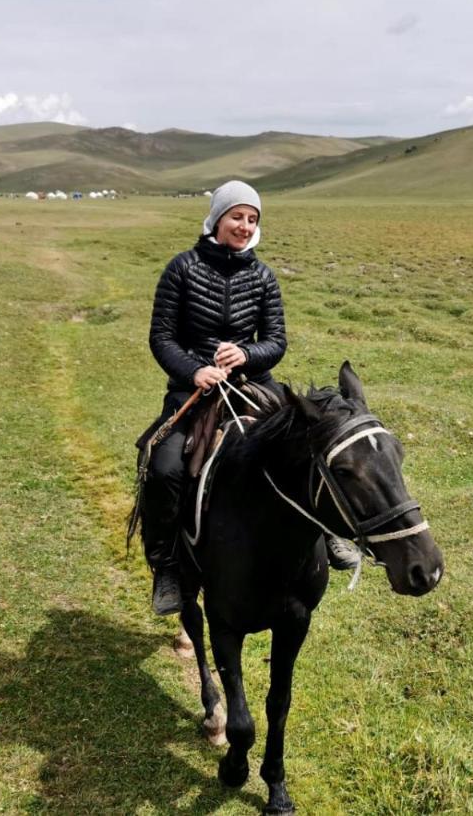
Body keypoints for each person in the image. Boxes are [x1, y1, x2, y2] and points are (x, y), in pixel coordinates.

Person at [141, 180, 363, 616]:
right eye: (237, 216)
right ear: (217, 219)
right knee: (163, 466)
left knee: (309, 445)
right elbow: (162, 337)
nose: (244, 226)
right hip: (195, 389)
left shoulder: (262, 276)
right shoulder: (181, 269)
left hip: (255, 385)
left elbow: (276, 341)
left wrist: (246, 353)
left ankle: (332, 533)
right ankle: (167, 567)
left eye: (252, 219)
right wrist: (195, 369)